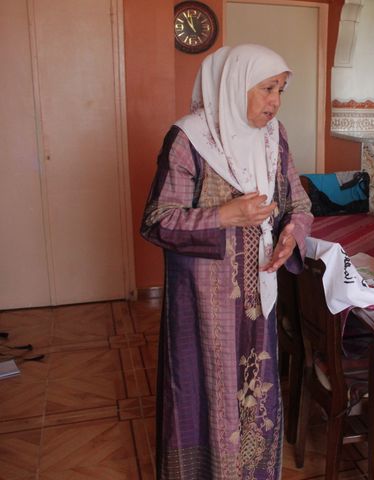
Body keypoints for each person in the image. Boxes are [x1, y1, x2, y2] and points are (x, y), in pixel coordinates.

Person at [141, 44, 313, 479]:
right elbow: (157, 222)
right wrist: (225, 215)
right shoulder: (189, 139)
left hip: (258, 298)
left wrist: (293, 234)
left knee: (256, 393)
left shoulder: (275, 137)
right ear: (235, 86)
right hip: (203, 303)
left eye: (281, 90)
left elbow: (299, 202)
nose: (275, 101)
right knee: (205, 391)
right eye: (267, 89)